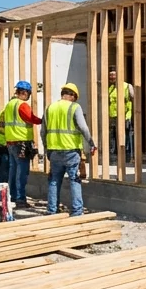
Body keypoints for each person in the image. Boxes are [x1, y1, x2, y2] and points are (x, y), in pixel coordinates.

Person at [44, 82, 97, 216]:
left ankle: (52, 210)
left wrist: (47, 149)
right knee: (74, 179)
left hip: (54, 151)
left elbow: (43, 131)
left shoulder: (50, 107)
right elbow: (83, 127)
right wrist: (91, 143)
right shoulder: (74, 107)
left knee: (54, 180)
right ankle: (77, 211)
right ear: (73, 95)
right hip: (71, 151)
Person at [0, 80, 43, 208]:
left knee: (13, 170)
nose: (28, 96)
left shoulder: (9, 104)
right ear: (24, 93)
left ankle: (11, 196)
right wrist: (42, 120)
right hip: (21, 143)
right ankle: (21, 199)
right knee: (22, 172)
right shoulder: (22, 105)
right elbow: (30, 118)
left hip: (11, 142)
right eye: (28, 93)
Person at [107, 69, 134, 161]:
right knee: (113, 136)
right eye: (110, 75)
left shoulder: (127, 86)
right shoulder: (110, 88)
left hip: (125, 116)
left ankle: (128, 156)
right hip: (113, 116)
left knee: (126, 135)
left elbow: (133, 98)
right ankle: (114, 156)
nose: (112, 77)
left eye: (114, 75)